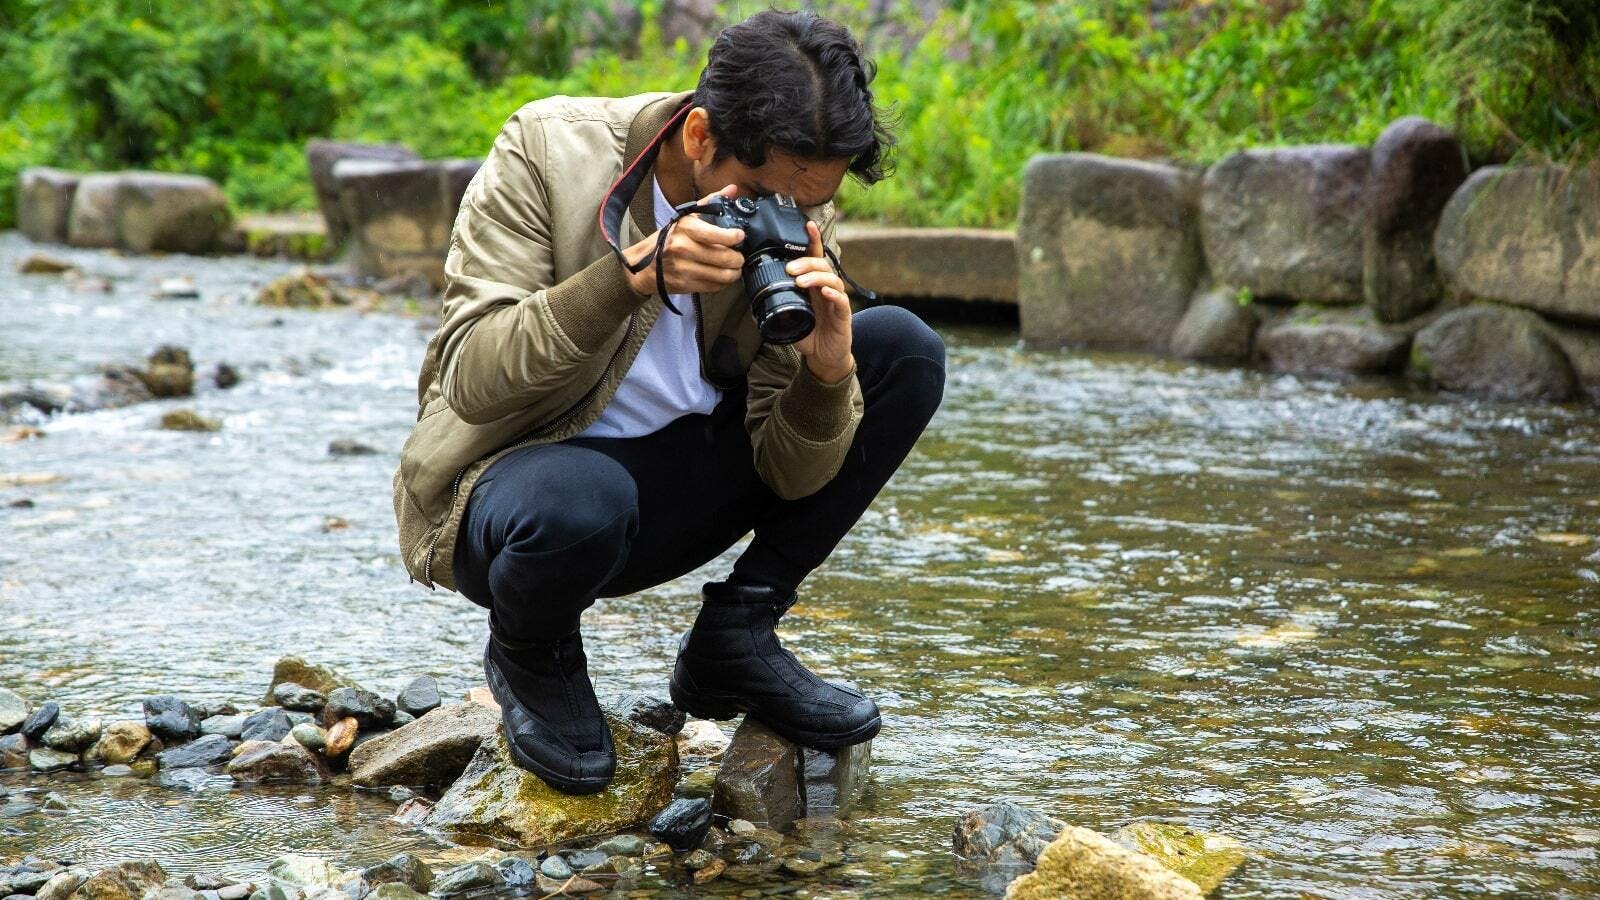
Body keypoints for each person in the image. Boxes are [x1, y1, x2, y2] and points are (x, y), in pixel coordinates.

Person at [391, 8, 946, 795]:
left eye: (810, 202)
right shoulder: (548, 149)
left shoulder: (794, 201)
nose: (788, 216)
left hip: (671, 490)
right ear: (698, 136)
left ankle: (737, 634)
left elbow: (792, 475)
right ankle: (533, 652)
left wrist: (826, 378)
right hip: (517, 496)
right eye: (763, 195)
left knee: (901, 350)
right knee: (584, 499)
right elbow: (473, 376)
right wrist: (629, 279)